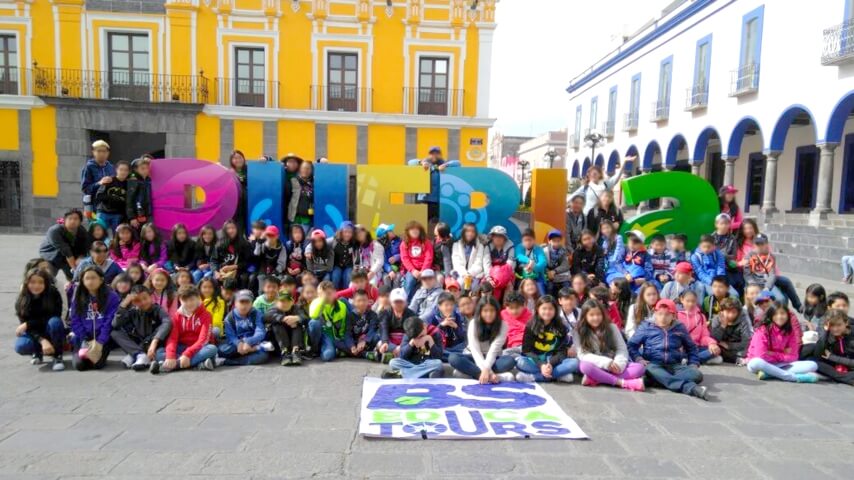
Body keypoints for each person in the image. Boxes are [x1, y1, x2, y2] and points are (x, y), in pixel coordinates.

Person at [628, 299, 708, 400]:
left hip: (674, 365)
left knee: (696, 375)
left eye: (667, 315)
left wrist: (693, 363)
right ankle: (690, 388)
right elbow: (631, 345)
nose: (663, 318)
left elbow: (691, 348)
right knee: (650, 370)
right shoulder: (646, 326)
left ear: (673, 316)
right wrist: (638, 359)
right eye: (660, 314)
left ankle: (657, 380)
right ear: (655, 313)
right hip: (653, 364)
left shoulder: (679, 327)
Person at [574, 299, 645, 390]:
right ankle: (623, 383)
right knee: (584, 366)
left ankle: (598, 379)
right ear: (585, 316)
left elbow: (621, 348)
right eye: (591, 315)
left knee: (639, 368)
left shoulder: (611, 327)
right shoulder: (578, 330)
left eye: (598, 314)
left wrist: (619, 364)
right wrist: (606, 363)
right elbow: (582, 354)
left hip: (614, 364)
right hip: (596, 365)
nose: (595, 318)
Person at [150, 285, 218, 373]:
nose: (189, 303)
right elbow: (172, 338)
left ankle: (170, 365)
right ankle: (198, 363)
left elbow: (203, 340)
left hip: (198, 348)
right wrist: (170, 355)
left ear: (198, 298)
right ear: (180, 301)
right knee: (160, 352)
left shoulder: (206, 315)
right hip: (181, 347)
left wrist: (187, 354)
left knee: (212, 349)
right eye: (185, 300)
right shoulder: (177, 316)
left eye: (192, 300)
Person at [746, 302, 818, 383]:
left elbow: (794, 356)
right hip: (761, 364)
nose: (779, 317)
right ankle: (792, 377)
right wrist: (783, 353)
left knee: (813, 365)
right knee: (756, 362)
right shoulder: (762, 330)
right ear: (771, 315)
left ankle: (769, 373)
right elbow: (761, 356)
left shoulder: (790, 331)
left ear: (787, 315)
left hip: (780, 364)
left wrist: (773, 354)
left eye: (783, 313)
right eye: (776, 314)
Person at [449, 296, 515, 382]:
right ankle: (488, 377)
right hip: (473, 356)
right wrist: (489, 373)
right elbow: (475, 350)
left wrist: (487, 369)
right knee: (453, 358)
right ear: (480, 312)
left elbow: (494, 349)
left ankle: (472, 374)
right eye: (485, 311)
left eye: (492, 310)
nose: (489, 314)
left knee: (510, 361)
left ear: (497, 311)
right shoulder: (473, 323)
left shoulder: (503, 325)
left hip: (493, 358)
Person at [515, 296, 577, 383]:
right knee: (520, 362)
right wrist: (542, 365)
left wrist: (550, 364)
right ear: (538, 309)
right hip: (535, 361)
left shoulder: (561, 327)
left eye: (550, 309)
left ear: (555, 310)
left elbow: (562, 351)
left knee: (574, 363)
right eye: (544, 308)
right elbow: (526, 350)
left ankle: (535, 377)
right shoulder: (530, 326)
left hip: (553, 362)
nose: (547, 312)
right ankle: (556, 376)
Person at [69, 265, 120, 371]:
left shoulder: (112, 296)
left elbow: (109, 320)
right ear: (82, 281)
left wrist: (100, 341)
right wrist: (84, 338)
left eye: (93, 278)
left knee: (97, 365)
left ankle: (103, 352)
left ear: (101, 280)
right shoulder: (78, 296)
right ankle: (76, 349)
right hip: (85, 338)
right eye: (87, 278)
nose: (90, 281)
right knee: (80, 366)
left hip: (102, 338)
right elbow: (75, 320)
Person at [111, 285, 171, 371]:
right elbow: (115, 324)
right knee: (114, 332)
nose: (142, 302)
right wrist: (123, 305)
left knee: (160, 354)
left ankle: (135, 355)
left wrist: (155, 341)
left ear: (150, 297)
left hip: (154, 343)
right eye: (137, 301)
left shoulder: (157, 309)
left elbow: (167, 322)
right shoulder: (133, 311)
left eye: (145, 298)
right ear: (132, 302)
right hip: (139, 343)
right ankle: (139, 354)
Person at [14, 268, 65, 371]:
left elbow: (53, 316)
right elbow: (27, 328)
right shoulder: (22, 298)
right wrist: (41, 340)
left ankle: (57, 355)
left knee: (55, 322)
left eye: (40, 282)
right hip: (34, 333)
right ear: (27, 283)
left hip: (49, 328)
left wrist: (28, 324)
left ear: (46, 283)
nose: (36, 286)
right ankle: (37, 352)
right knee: (21, 346)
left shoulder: (53, 293)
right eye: (32, 282)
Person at [743, 233, 803, 311]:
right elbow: (747, 274)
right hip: (755, 283)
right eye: (757, 244)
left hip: (768, 282)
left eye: (762, 244)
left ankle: (798, 306)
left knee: (784, 288)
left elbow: (772, 274)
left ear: (767, 244)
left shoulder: (771, 256)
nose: (760, 246)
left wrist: (767, 287)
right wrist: (753, 285)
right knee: (779, 299)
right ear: (754, 245)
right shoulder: (749, 256)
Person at [218, 290, 270, 366]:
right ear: (235, 303)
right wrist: (239, 344)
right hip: (237, 346)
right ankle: (245, 354)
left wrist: (248, 342)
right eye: (241, 302)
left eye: (247, 302)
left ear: (251, 303)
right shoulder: (229, 318)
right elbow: (231, 336)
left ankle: (228, 362)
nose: (244, 305)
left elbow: (260, 332)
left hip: (254, 343)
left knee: (263, 356)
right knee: (221, 350)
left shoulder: (257, 314)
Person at [307, 280, 351, 362]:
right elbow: (314, 315)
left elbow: (344, 325)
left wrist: (340, 339)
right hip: (321, 333)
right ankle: (314, 349)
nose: (325, 296)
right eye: (321, 294)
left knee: (328, 356)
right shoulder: (316, 302)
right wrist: (322, 301)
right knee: (314, 322)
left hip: (332, 337)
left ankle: (328, 348)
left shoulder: (342, 306)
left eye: (328, 293)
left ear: (335, 293)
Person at [39, 209, 89, 279]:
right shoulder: (55, 230)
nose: (72, 221)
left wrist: (80, 258)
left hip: (70, 258)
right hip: (51, 257)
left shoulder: (82, 231)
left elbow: (84, 248)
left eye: (76, 219)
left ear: (80, 222)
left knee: (76, 280)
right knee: (46, 278)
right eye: (70, 218)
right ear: (65, 220)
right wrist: (75, 270)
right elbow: (66, 251)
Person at [677, 290, 722, 364]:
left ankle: (688, 360)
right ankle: (699, 359)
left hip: (696, 348)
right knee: (675, 353)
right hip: (681, 348)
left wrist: (711, 343)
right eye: (688, 301)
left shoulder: (701, 317)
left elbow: (704, 336)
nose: (690, 304)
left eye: (693, 301)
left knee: (715, 350)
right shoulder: (676, 316)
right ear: (682, 300)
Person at [813, 309, 854, 385]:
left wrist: (832, 357)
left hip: (850, 366)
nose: (835, 329)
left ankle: (841, 377)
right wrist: (825, 331)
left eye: (839, 325)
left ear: (846, 323)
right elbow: (817, 355)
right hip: (838, 367)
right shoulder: (829, 333)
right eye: (832, 325)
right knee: (814, 363)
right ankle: (844, 378)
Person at [264, 291, 305, 366]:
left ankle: (296, 351)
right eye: (282, 301)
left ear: (292, 302)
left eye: (287, 301)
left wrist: (297, 318)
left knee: (297, 324)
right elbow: (266, 316)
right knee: (276, 324)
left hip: (294, 341)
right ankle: (284, 353)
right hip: (279, 344)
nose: (284, 303)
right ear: (276, 302)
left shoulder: (296, 308)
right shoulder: (273, 309)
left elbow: (305, 317)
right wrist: (283, 319)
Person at [710, 298, 753, 365]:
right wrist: (723, 326)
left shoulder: (743, 320)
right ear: (722, 311)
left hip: (738, 348)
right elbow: (713, 339)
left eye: (733, 312)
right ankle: (737, 360)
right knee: (715, 347)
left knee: (750, 349)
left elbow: (747, 341)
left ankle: (738, 359)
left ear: (738, 312)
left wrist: (729, 346)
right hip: (722, 348)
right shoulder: (717, 320)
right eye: (727, 312)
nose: (730, 315)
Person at [400, 221, 434, 302]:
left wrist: (423, 271)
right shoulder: (404, 243)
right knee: (409, 282)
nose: (414, 231)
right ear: (407, 231)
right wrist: (413, 271)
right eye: (412, 230)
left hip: (425, 269)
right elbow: (405, 259)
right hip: (412, 269)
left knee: (428, 283)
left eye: (417, 230)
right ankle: (406, 303)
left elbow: (429, 257)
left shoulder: (426, 242)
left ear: (420, 231)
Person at [427, 292, 467, 360]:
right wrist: (441, 325)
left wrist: (456, 327)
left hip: (453, 347)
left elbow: (461, 338)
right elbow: (429, 338)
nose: (449, 307)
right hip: (439, 347)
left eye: (451, 305)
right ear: (439, 306)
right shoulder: (432, 317)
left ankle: (453, 355)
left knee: (466, 345)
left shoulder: (456, 316)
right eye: (446, 305)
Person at [377, 288, 416, 359]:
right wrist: (385, 342)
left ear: (405, 302)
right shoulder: (385, 313)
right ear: (391, 302)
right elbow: (384, 329)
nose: (398, 304)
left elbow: (410, 333)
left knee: (413, 346)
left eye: (401, 301)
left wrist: (401, 346)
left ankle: (395, 354)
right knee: (380, 343)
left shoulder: (411, 314)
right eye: (396, 301)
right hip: (390, 342)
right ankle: (398, 354)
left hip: (405, 342)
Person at [212, 220, 252, 289]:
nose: (231, 230)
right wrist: (216, 272)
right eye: (228, 228)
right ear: (224, 230)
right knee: (214, 280)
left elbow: (248, 261)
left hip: (239, 270)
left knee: (243, 278)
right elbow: (214, 260)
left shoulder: (244, 244)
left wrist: (234, 267)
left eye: (233, 228)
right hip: (223, 271)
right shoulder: (219, 244)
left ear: (237, 229)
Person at [451, 223, 489, 292]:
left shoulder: (480, 246)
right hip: (460, 273)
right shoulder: (456, 245)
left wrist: (469, 274)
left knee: (474, 287)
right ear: (463, 232)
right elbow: (456, 263)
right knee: (461, 284)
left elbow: (478, 263)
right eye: (468, 231)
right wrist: (464, 274)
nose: (470, 234)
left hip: (474, 274)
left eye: (472, 231)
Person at [81, 140, 115, 217]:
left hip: (109, 205)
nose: (102, 154)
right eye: (99, 151)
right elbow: (85, 188)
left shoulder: (110, 167)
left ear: (108, 153)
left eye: (104, 151)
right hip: (93, 205)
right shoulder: (89, 167)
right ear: (93, 152)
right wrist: (99, 183)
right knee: (95, 226)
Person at [94, 160, 130, 232]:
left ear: (129, 172)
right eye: (121, 169)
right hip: (103, 211)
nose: (123, 172)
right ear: (116, 170)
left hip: (118, 214)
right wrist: (112, 198)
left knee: (116, 235)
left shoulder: (129, 184)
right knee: (99, 233)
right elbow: (99, 195)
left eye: (126, 170)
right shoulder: (109, 180)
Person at [345, 289, 381, 361]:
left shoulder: (373, 314)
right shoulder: (350, 316)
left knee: (376, 337)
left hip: (367, 342)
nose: (362, 303)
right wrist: (352, 346)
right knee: (339, 341)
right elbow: (347, 333)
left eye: (364, 300)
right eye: (359, 300)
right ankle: (365, 354)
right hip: (355, 341)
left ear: (368, 301)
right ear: (354, 302)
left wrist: (364, 341)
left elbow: (372, 329)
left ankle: (347, 353)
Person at [712, 213, 743, 294]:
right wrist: (723, 255)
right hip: (715, 267)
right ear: (716, 224)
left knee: (740, 282)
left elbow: (733, 256)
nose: (724, 226)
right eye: (722, 223)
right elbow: (710, 254)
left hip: (729, 266)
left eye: (727, 223)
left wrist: (721, 255)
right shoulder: (711, 238)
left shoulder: (732, 238)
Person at [484, 226, 516, 302]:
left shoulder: (510, 246)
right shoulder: (488, 246)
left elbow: (510, 263)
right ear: (492, 237)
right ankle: (491, 306)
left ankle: (506, 307)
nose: (498, 238)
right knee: (487, 285)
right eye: (495, 235)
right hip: (491, 273)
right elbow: (486, 262)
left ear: (505, 238)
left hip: (507, 273)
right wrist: (489, 277)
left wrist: (504, 277)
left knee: (509, 286)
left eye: (500, 236)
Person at [515, 228, 547, 294]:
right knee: (520, 293)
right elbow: (519, 256)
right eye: (525, 240)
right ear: (522, 241)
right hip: (522, 276)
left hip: (537, 276)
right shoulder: (519, 247)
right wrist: (529, 261)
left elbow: (543, 262)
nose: (527, 242)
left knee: (541, 293)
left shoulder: (538, 249)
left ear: (534, 240)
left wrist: (533, 267)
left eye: (530, 240)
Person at [328, 222, 358, 290]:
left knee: (348, 276)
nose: (347, 234)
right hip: (337, 265)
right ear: (341, 232)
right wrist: (308, 250)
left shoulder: (354, 243)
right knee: (335, 276)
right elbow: (322, 241)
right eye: (345, 232)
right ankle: (335, 295)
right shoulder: (334, 241)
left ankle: (346, 296)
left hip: (349, 266)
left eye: (350, 232)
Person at [126, 155, 153, 228]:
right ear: (136, 170)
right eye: (142, 169)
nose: (145, 170)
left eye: (147, 168)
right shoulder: (133, 181)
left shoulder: (150, 181)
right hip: (138, 214)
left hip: (150, 214)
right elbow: (129, 200)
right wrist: (132, 217)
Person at [543, 229, 572, 296]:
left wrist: (554, 271)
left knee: (566, 285)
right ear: (549, 241)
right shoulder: (544, 251)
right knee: (550, 287)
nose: (556, 243)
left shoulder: (563, 251)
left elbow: (565, 265)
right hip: (548, 274)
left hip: (559, 274)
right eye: (554, 241)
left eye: (558, 241)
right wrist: (548, 272)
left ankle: (566, 299)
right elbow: (543, 264)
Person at [287, 160, 314, 229]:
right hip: (294, 219)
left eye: (308, 168)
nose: (305, 170)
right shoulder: (292, 181)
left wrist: (320, 160)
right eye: (303, 168)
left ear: (311, 170)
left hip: (307, 219)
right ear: (299, 169)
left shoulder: (314, 183)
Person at [229, 150, 248, 232]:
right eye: (235, 158)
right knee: (237, 231)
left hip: (249, 205)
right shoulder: (229, 173)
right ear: (231, 161)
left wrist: (266, 158)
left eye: (240, 157)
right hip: (236, 208)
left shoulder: (250, 170)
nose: (238, 160)